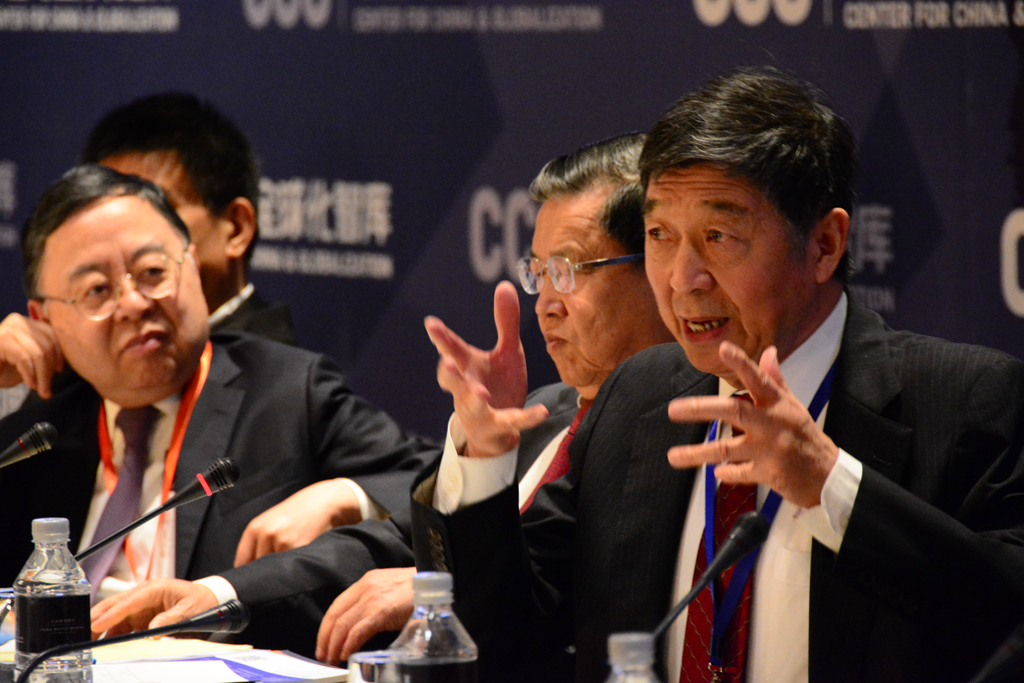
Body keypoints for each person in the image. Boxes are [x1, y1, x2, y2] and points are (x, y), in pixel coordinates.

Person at [410, 67, 1024, 683]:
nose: (682, 278)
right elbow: (506, 638)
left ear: (824, 244)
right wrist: (483, 462)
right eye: (659, 235)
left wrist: (831, 486)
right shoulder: (639, 398)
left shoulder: (965, 402)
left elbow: (1005, 622)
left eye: (719, 236)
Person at [87, 134, 674, 666]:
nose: (546, 303)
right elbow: (394, 543)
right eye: (539, 273)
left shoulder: (674, 441)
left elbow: (544, 610)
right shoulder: (546, 415)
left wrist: (434, 588)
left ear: (657, 266)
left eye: (569, 270)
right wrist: (220, 595)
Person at [0, 165, 436, 653]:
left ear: (191, 264)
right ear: (43, 318)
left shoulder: (288, 393)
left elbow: (434, 492)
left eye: (153, 272)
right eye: (98, 290)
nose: (135, 304)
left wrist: (345, 495)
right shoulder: (37, 437)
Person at [81, 93, 295, 345]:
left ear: (237, 228)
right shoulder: (82, 353)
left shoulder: (274, 366)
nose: (125, 238)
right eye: (108, 213)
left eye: (159, 208)